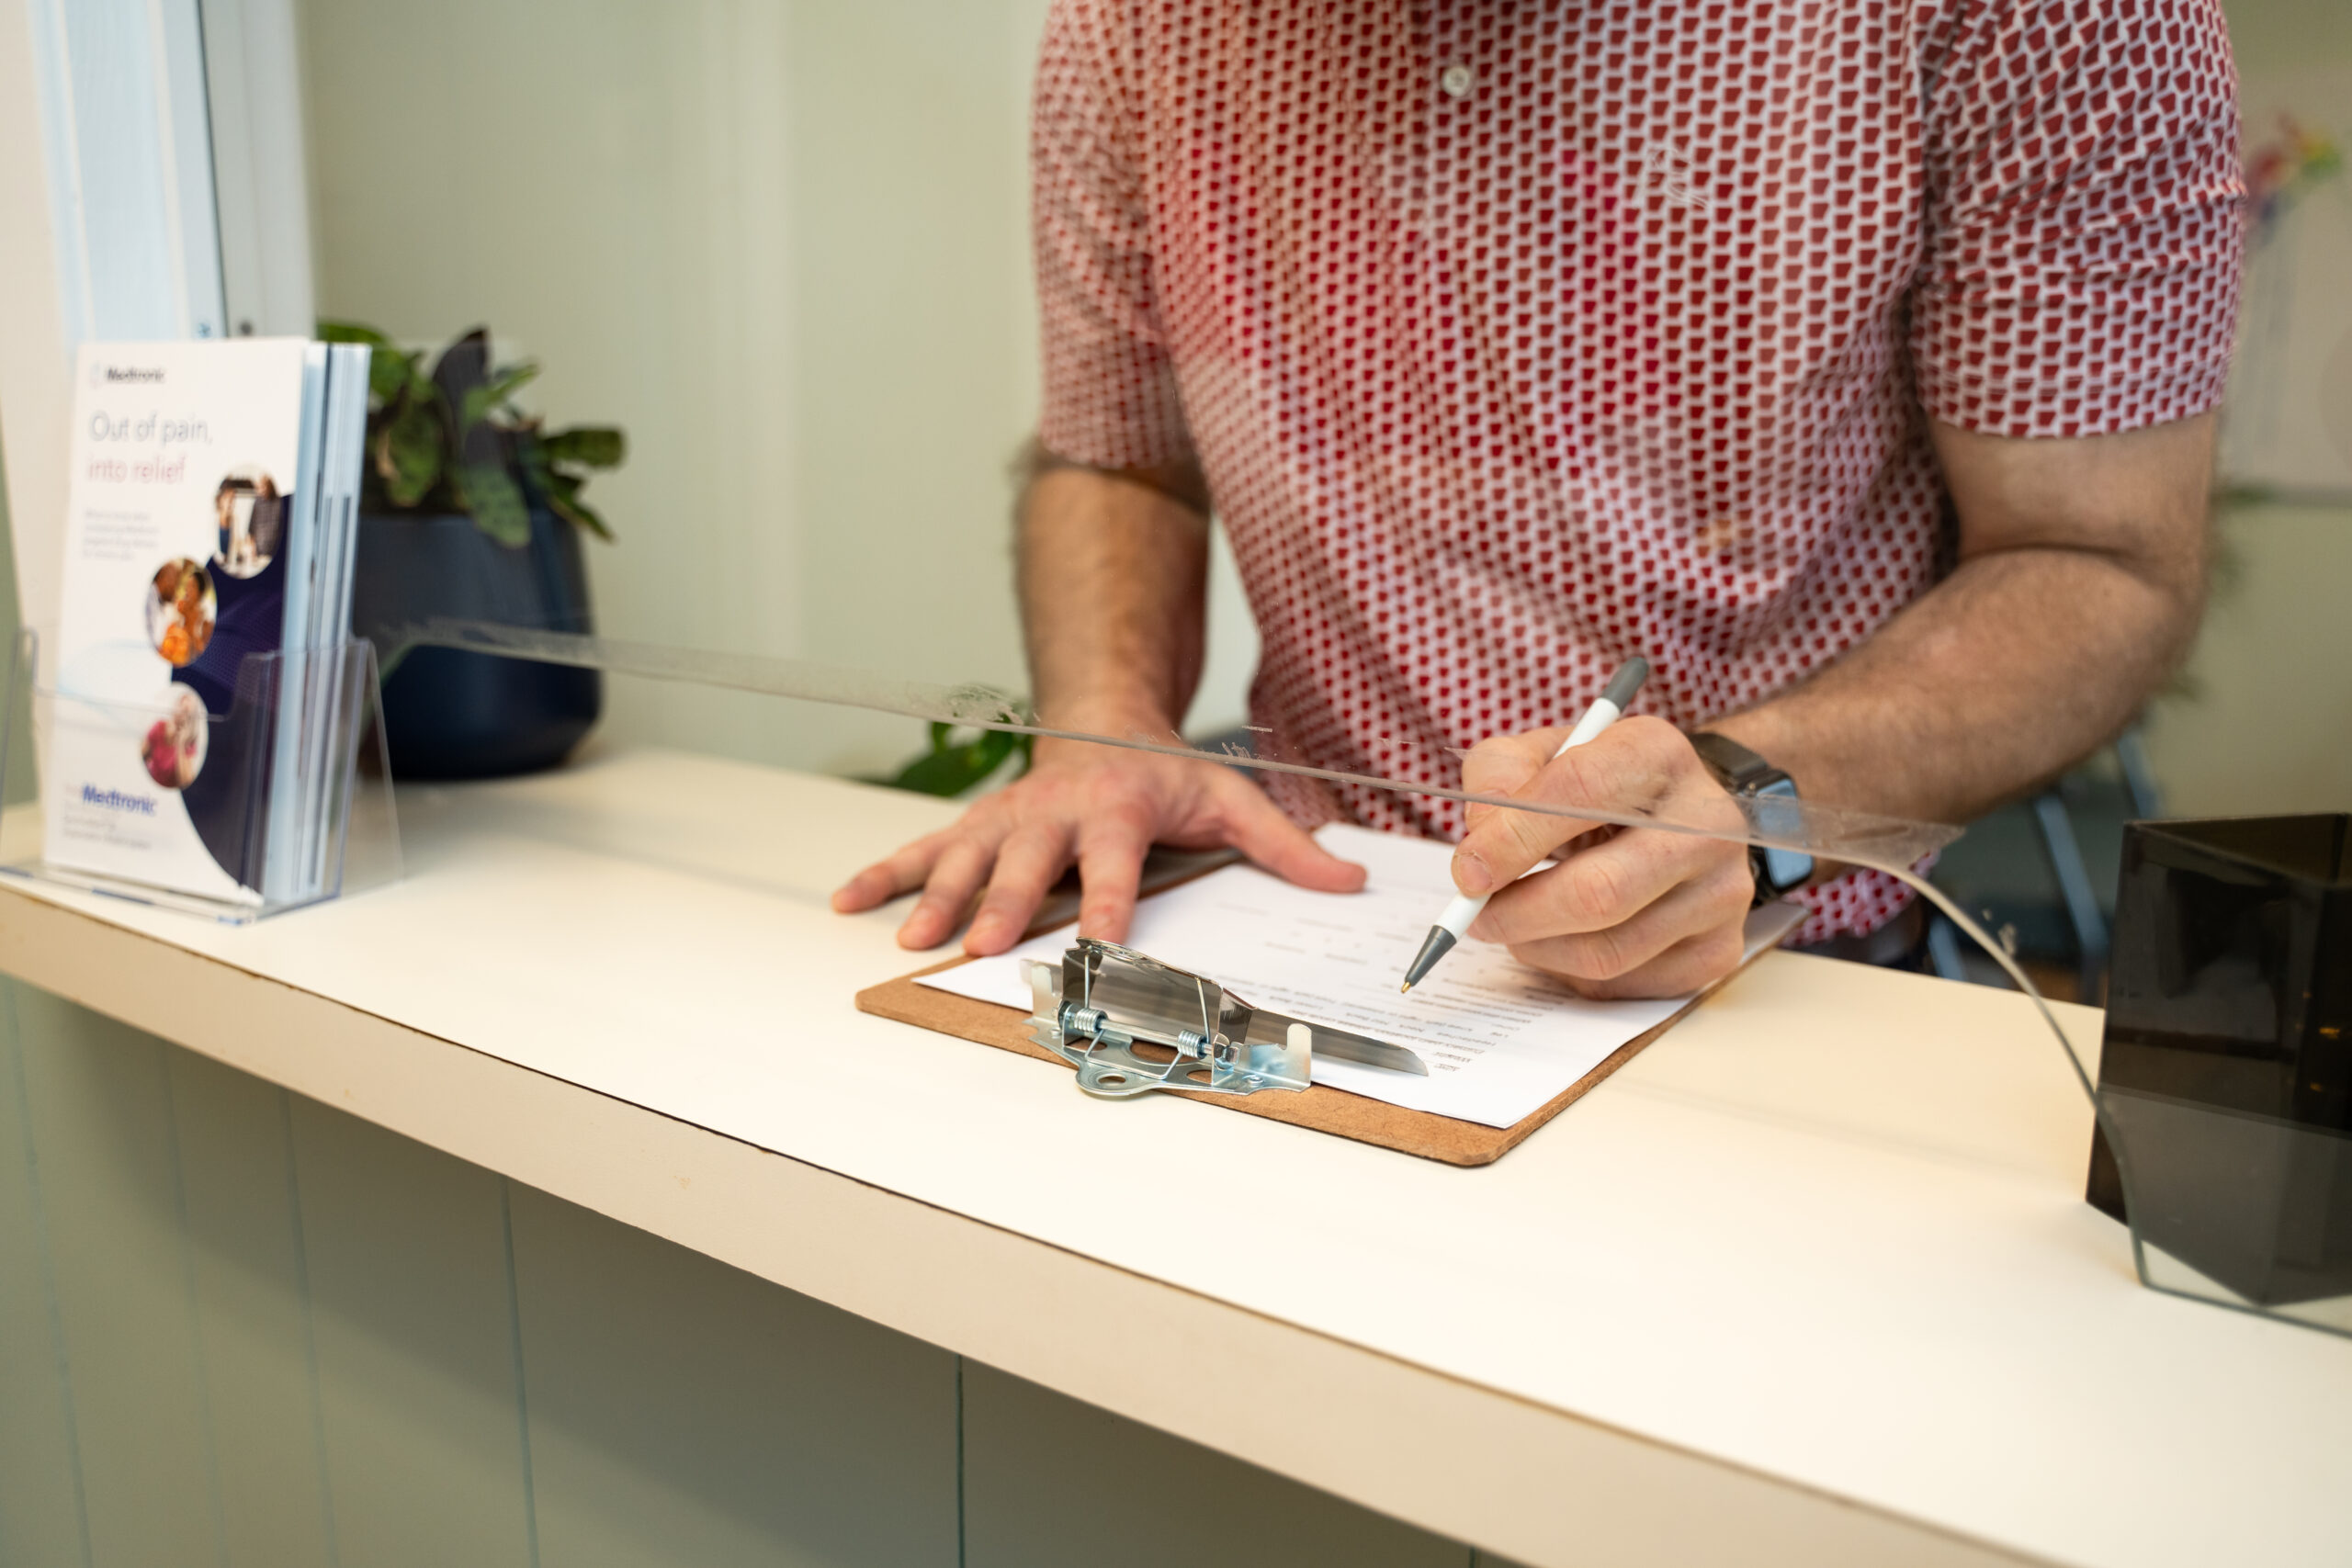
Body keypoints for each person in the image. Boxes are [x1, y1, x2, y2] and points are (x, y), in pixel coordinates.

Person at [835, 0, 2242, 999]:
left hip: (1796, 974)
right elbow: (1113, 450)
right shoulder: (1137, 22)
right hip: (1327, 936)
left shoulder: (2049, 14)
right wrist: (1103, 723)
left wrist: (1749, 792)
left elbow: (2097, 555)